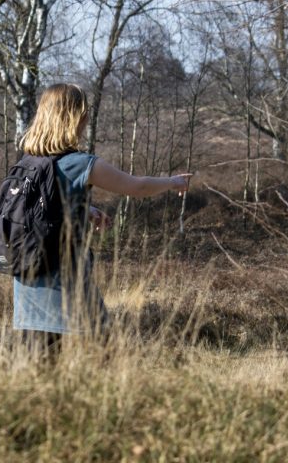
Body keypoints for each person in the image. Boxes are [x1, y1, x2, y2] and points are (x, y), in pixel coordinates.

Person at [13, 83, 191, 354]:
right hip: (64, 277)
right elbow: (137, 187)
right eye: (84, 114)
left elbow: (41, 208)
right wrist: (172, 181)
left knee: (40, 363)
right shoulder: (80, 163)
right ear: (75, 118)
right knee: (106, 351)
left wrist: (84, 210)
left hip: (27, 274)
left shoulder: (28, 161)